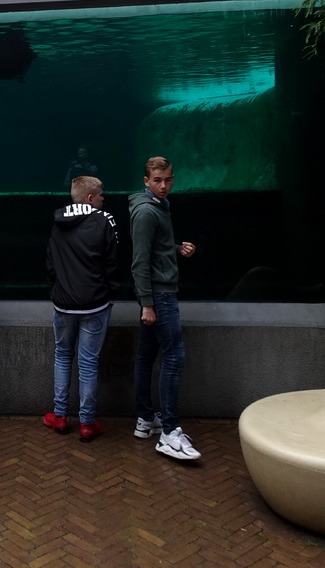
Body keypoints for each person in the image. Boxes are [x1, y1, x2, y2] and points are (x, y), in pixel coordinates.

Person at [129, 156, 201, 461]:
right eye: (157, 181)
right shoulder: (147, 212)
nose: (164, 185)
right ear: (146, 181)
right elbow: (139, 262)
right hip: (160, 296)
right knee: (174, 357)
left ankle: (146, 419)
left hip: (157, 293)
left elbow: (155, 251)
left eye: (168, 179)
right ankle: (169, 433)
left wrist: (175, 250)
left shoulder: (159, 206)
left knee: (147, 355)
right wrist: (147, 304)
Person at [44, 175, 119, 442]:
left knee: (63, 355)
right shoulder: (104, 221)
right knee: (88, 363)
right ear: (90, 198)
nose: (103, 199)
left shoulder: (57, 224)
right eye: (100, 195)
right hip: (95, 303)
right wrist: (109, 290)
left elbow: (50, 265)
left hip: (63, 304)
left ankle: (60, 416)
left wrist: (62, 286)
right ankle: (87, 422)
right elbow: (112, 262)